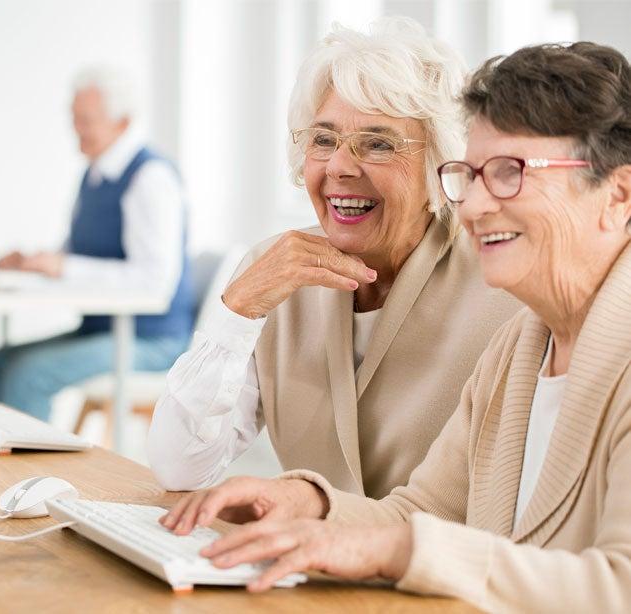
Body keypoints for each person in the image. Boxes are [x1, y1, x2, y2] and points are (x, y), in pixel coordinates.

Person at [160, 41, 631, 611]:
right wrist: (307, 503)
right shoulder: (524, 346)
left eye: (509, 173)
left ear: (619, 197)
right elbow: (421, 512)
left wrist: (406, 551)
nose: (476, 205)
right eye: (474, 175)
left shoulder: (525, 317)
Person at [147, 18, 520, 498]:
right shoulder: (273, 273)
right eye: (323, 140)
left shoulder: (502, 285)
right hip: (309, 565)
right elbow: (179, 468)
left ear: (439, 164)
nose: (340, 166)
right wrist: (236, 310)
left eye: (379, 144)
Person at [0, 66, 194, 421]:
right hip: (101, 329)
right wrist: (36, 262)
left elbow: (155, 281)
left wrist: (65, 267)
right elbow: (80, 255)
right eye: (74, 118)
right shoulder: (94, 175)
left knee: (28, 375)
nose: (76, 129)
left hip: (149, 341)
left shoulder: (151, 178)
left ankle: (30, 475)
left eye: (86, 119)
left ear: (122, 122)